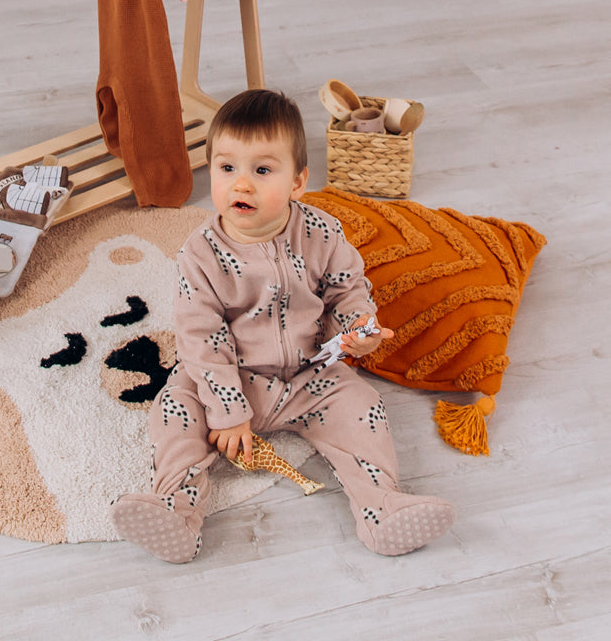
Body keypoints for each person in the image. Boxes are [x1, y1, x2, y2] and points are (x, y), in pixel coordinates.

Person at [110, 89, 456, 562]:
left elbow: (346, 290)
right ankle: (178, 508)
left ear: (298, 182)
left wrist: (358, 328)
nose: (242, 185)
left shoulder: (323, 233)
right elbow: (200, 335)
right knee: (175, 404)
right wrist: (228, 409)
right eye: (227, 168)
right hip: (231, 378)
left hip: (308, 375)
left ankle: (382, 508)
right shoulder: (199, 253)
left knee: (362, 404)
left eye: (263, 170)